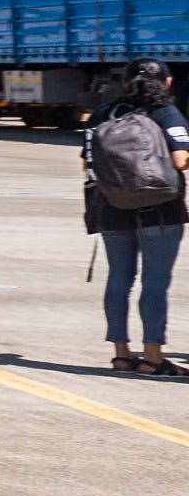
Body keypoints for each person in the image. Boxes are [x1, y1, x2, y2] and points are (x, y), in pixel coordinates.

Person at [84, 59, 189, 375]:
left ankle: (121, 354)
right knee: (154, 282)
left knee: (119, 278)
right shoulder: (166, 112)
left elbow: (88, 162)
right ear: (168, 83)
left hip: (112, 207)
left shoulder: (104, 113)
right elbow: (181, 160)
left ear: (126, 83)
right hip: (161, 210)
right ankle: (153, 358)